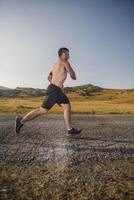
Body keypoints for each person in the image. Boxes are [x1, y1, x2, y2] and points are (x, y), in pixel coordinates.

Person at [14, 47, 82, 136]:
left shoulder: (55, 65)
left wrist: (57, 85)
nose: (69, 55)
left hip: (55, 90)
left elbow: (49, 77)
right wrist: (64, 79)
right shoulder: (65, 62)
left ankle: (69, 129)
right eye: (68, 54)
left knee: (67, 106)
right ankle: (21, 121)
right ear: (63, 54)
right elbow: (73, 76)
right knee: (42, 110)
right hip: (54, 90)